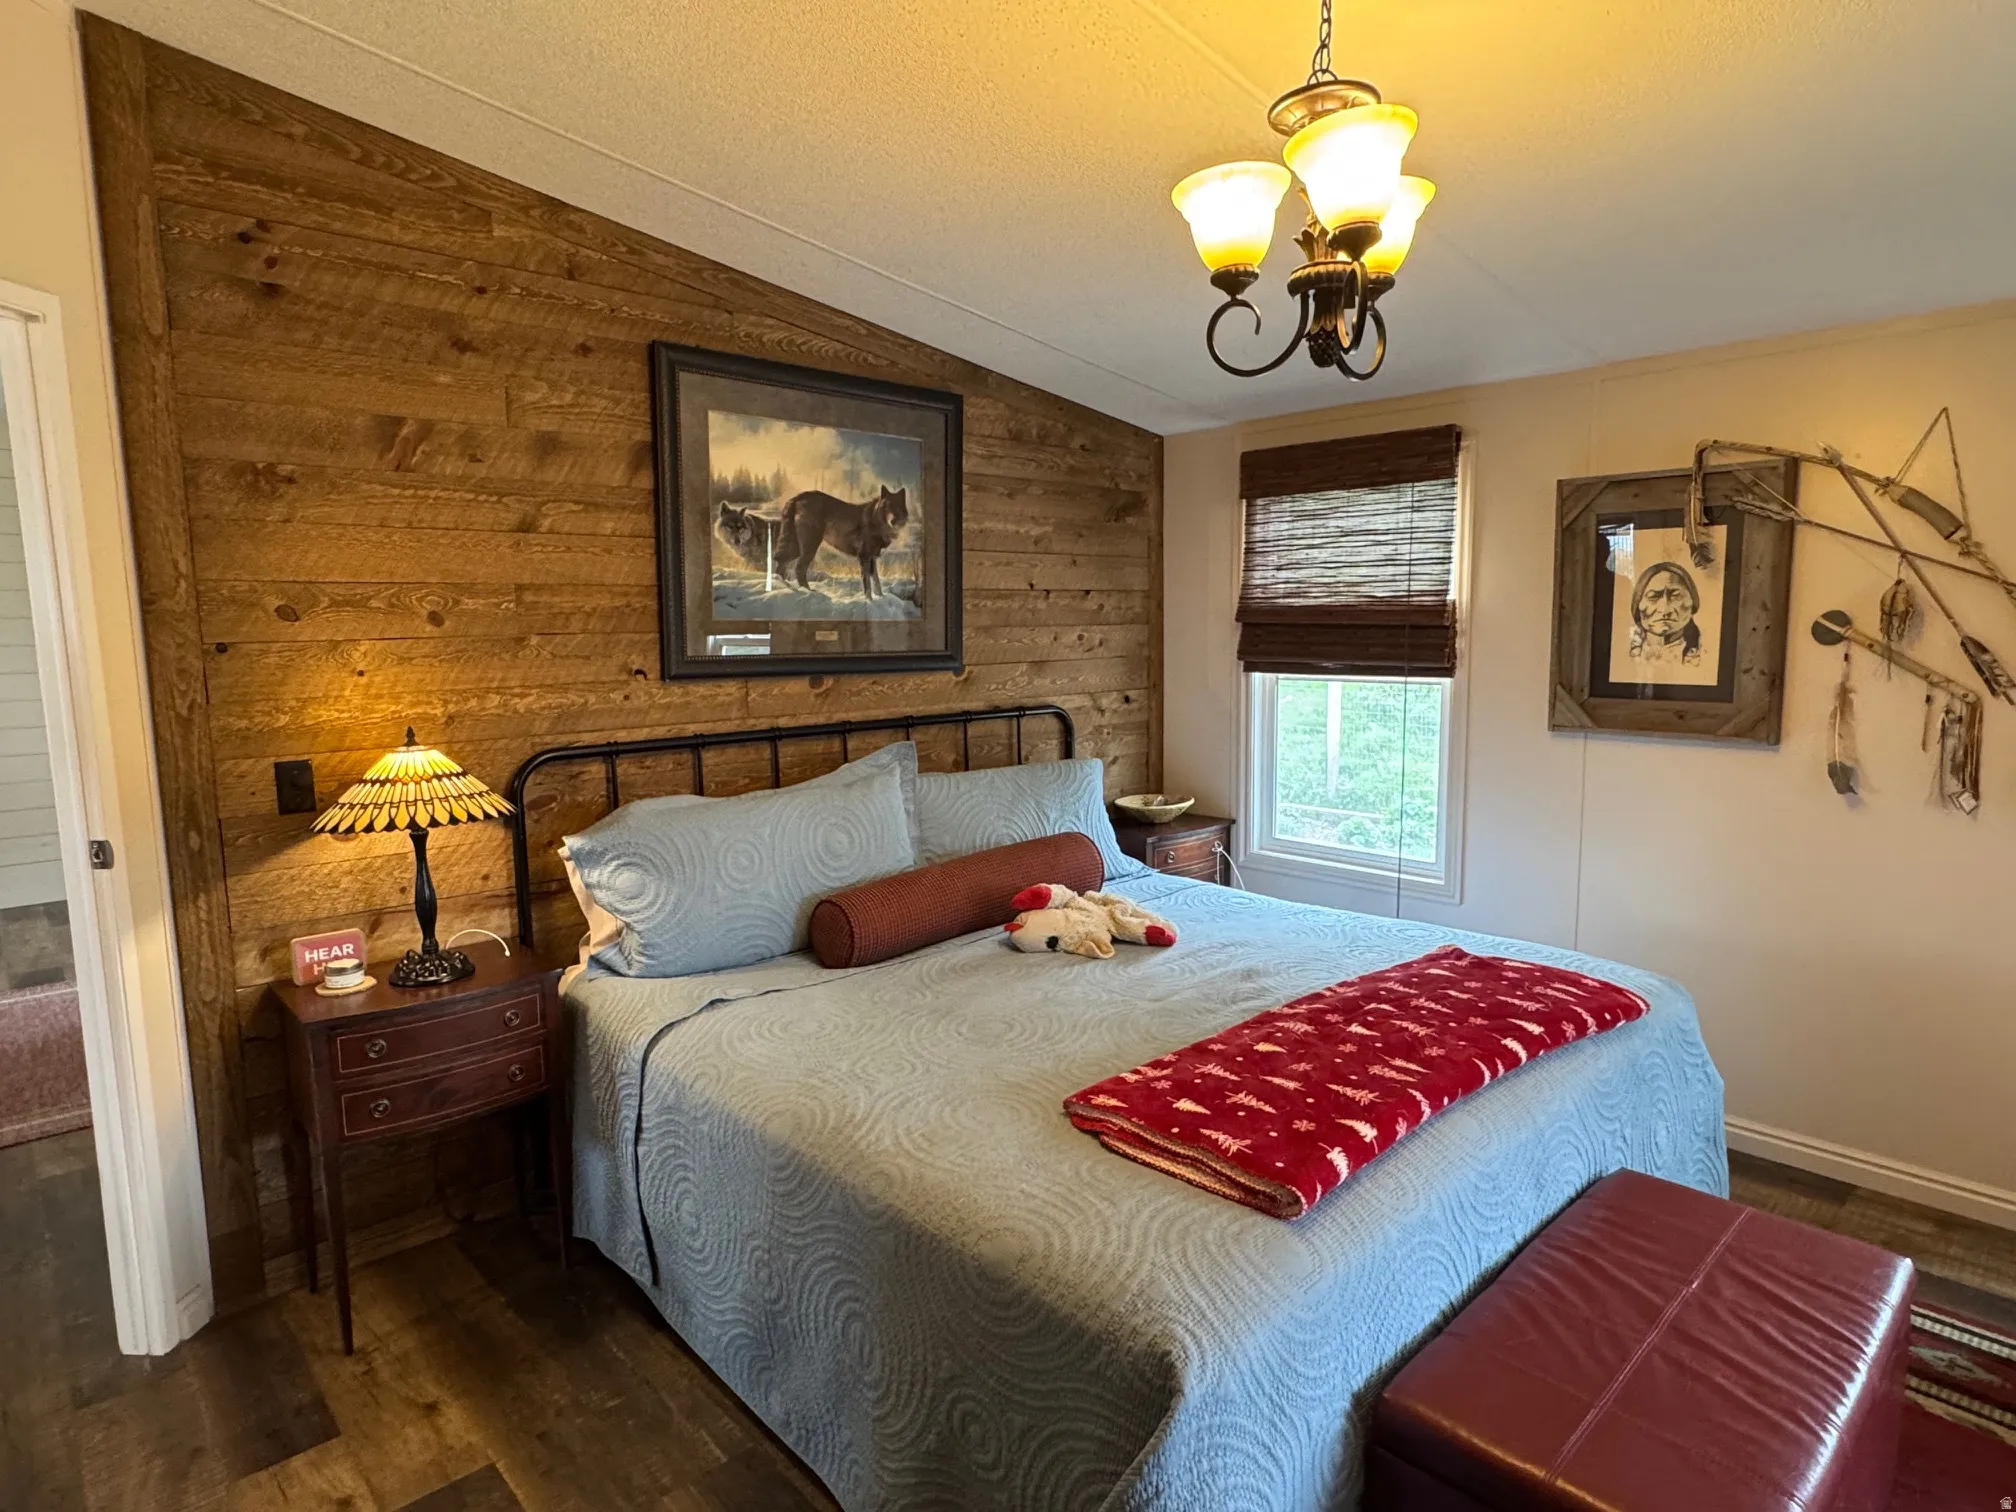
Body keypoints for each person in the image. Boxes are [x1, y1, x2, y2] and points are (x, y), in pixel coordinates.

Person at [1627, 561, 1703, 667]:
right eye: (1653, 597)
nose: (1664, 609)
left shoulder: (1705, 656)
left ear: (1692, 604)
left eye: (1676, 596)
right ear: (1638, 606)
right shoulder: (1627, 660)